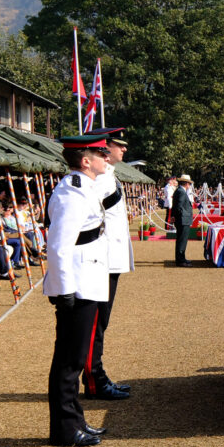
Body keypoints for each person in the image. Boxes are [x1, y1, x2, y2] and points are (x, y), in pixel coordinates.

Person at [44, 134, 111, 447]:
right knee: (69, 361)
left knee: (75, 357)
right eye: (100, 153)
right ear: (85, 161)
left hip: (88, 280)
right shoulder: (72, 193)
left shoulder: (84, 186)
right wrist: (65, 290)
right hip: (77, 286)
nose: (106, 157)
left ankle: (76, 420)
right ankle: (65, 429)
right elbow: (58, 246)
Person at [82, 127, 134, 401]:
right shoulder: (100, 180)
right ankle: (93, 378)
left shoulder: (109, 177)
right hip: (101, 260)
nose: (123, 150)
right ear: (104, 147)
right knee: (95, 323)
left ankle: (97, 372)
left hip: (110, 260)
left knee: (101, 321)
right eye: (118, 145)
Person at [172, 174, 194, 266]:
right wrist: (182, 216)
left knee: (182, 240)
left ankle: (182, 258)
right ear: (187, 184)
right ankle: (180, 260)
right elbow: (179, 206)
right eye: (189, 183)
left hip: (182, 219)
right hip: (183, 220)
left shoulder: (180, 191)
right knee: (182, 240)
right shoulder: (181, 191)